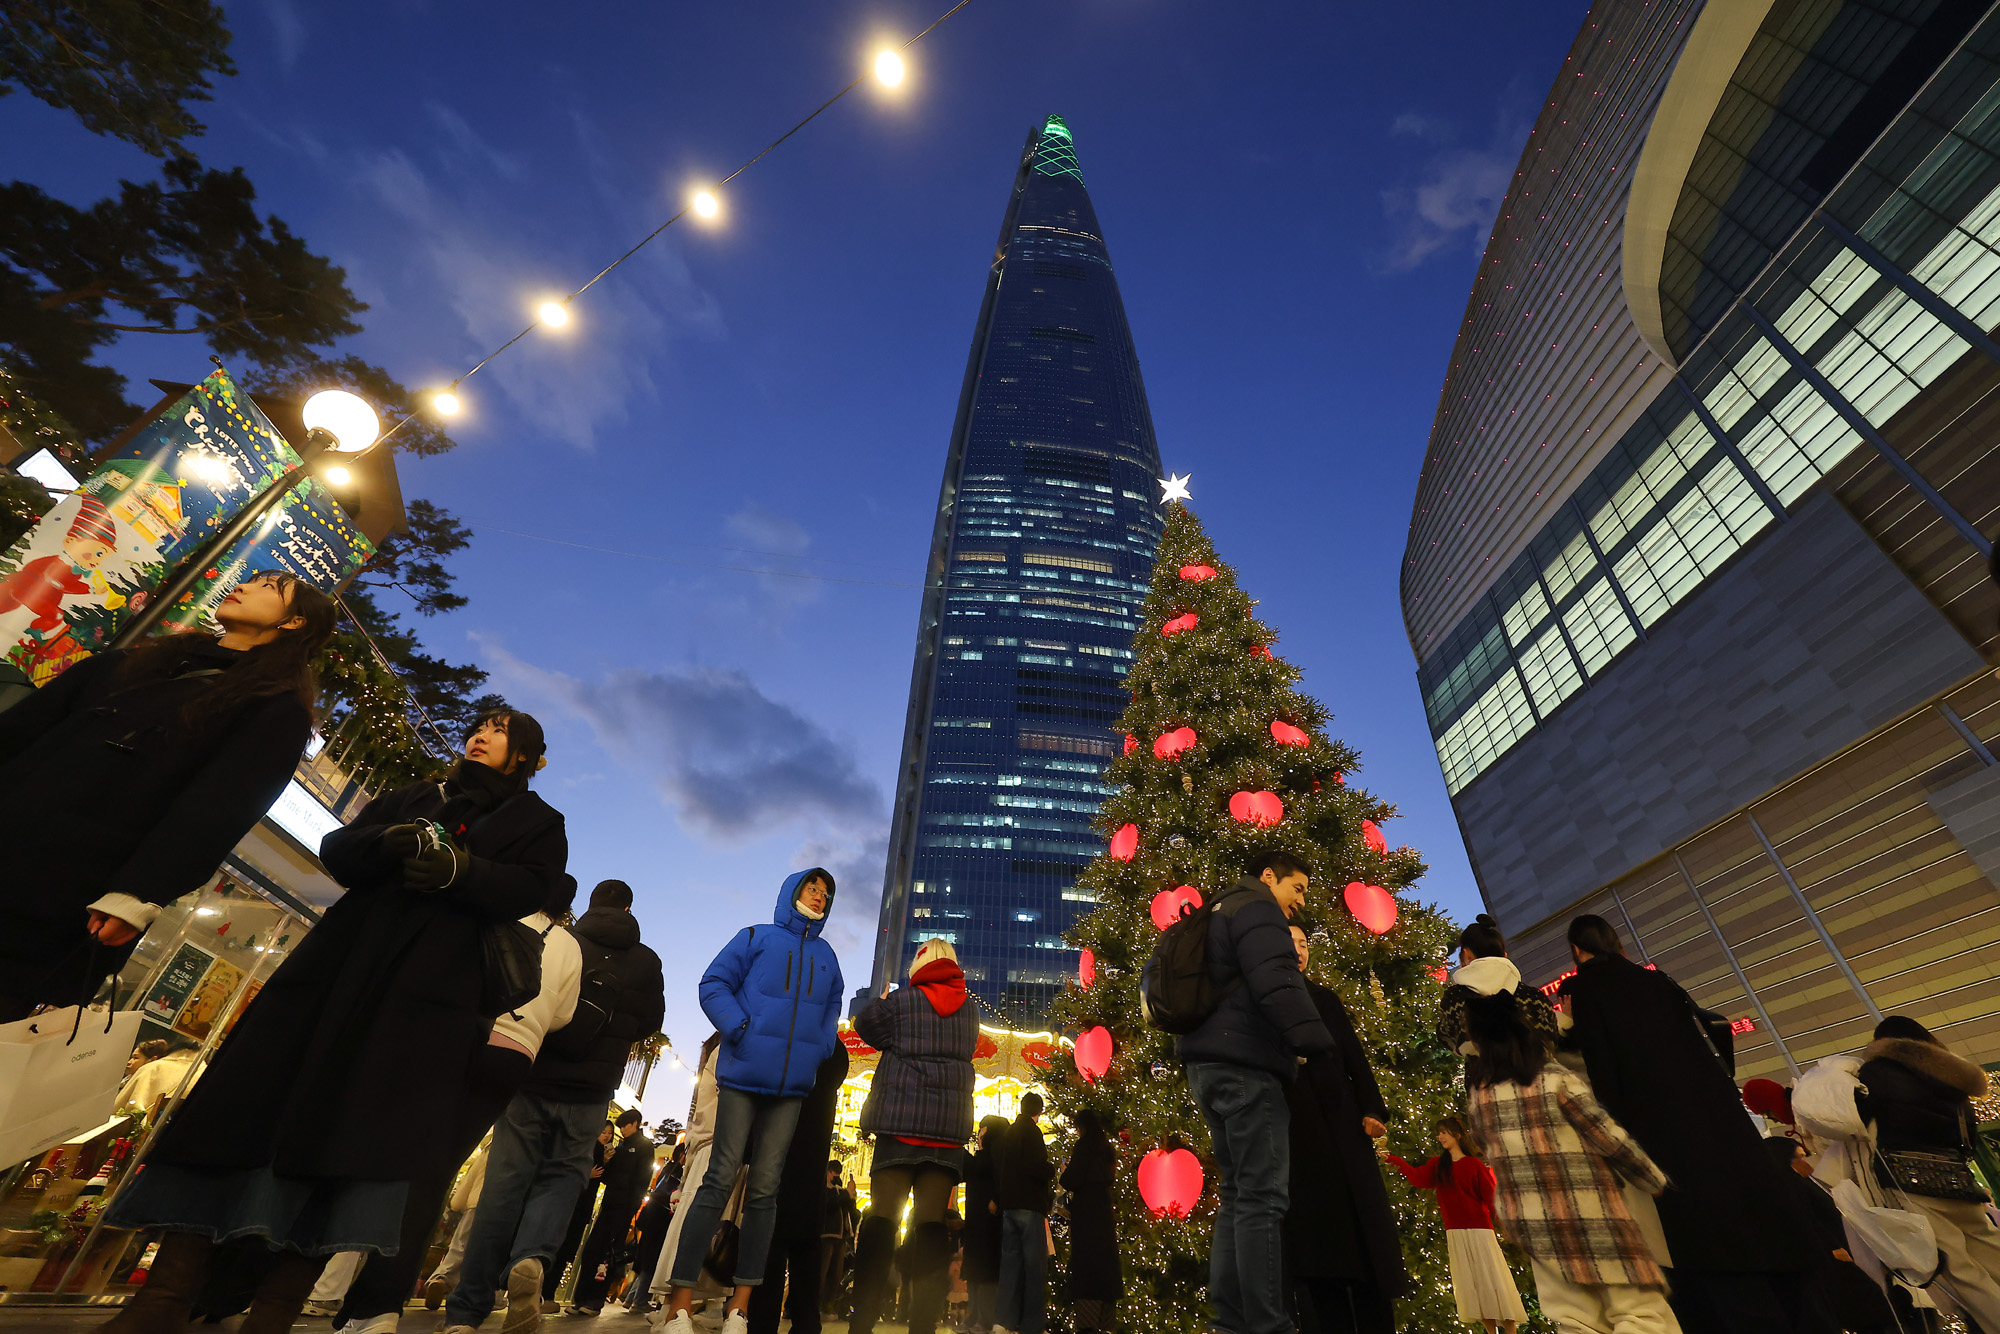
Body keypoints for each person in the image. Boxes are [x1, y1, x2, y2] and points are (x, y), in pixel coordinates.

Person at [98, 705, 567, 1334]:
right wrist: (384, 842)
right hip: (333, 972)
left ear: (528, 757)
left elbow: (531, 888)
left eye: (501, 730)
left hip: (424, 1002)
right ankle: (165, 1294)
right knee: (246, 1106)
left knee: (353, 1140)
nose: (482, 734)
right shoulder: (419, 793)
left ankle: (277, 1308)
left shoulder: (537, 821)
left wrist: (463, 871)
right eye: (479, 725)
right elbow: (339, 850)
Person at [0, 571, 331, 1020]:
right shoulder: (131, 662)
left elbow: (218, 810)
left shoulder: (274, 709)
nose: (246, 586)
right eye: (250, 579)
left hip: (62, 896)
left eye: (269, 589)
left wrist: (138, 892)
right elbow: (20, 732)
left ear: (293, 623)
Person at [336, 869, 582, 1334]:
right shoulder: (570, 946)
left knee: (403, 1164)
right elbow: (564, 1016)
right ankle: (384, 1303)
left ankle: (371, 1302)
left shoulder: (500, 913)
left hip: (468, 1037)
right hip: (516, 1059)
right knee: (437, 1172)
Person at [1561, 914, 1818, 1333]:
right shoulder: (1657, 980)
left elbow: (1603, 1070)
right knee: (1751, 1216)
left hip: (1658, 1125)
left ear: (1576, 949)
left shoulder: (1585, 988)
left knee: (1701, 1239)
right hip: (1714, 1111)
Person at [445, 877, 665, 1334]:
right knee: (563, 1178)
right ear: (628, 910)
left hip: (536, 1077)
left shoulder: (565, 941)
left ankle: (468, 1309)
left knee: (505, 1184)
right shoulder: (646, 961)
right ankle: (531, 1260)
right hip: (593, 1091)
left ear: (591, 905)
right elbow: (649, 1022)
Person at [658, 868, 845, 1334]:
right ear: (793, 892)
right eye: (812, 888)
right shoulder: (755, 937)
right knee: (719, 1180)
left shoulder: (828, 957)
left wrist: (819, 1049)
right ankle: (679, 1301)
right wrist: (739, 1028)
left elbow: (831, 1010)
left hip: (792, 1087)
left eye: (826, 893)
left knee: (765, 1192)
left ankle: (740, 1306)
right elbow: (712, 983)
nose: (819, 897)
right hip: (743, 1075)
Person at [1458, 966, 1678, 1333]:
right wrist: (1651, 1178)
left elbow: (1486, 1147)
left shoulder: (1481, 1097)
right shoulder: (1555, 1079)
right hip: (1592, 1215)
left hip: (1534, 1225)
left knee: (1574, 1321)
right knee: (1640, 1314)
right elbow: (1608, 1137)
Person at [1177, 851, 1339, 1334]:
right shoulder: (1257, 906)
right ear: (1270, 877)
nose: (1300, 900)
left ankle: (1229, 1323)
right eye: (1299, 887)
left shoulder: (1219, 908)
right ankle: (1268, 1326)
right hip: (1246, 1066)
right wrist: (1316, 1042)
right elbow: (1275, 979)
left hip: (1207, 1065)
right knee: (1262, 1199)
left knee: (1237, 1196)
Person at [847, 938, 981, 1334]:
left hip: (900, 1122)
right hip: (945, 1130)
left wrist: (881, 1000)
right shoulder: (970, 1009)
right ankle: (923, 1324)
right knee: (931, 1227)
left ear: (918, 967)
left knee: (882, 1220)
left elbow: (866, 1025)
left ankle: (863, 1321)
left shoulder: (904, 1001)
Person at [1281, 922, 1407, 1333]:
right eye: (1289, 943)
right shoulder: (1265, 1002)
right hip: (1298, 1135)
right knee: (1318, 1251)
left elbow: (1354, 1058)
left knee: (1364, 1238)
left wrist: (1372, 1107)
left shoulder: (1325, 999)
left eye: (1303, 943)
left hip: (1343, 1127)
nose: (1299, 950)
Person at [1856, 1014, 2000, 1330]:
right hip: (1960, 1182)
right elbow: (1969, 1140)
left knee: (1961, 1271)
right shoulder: (1956, 1080)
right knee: (1994, 1253)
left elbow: (1860, 1122)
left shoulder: (1874, 1072)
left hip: (1909, 1180)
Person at [1385, 1116, 1527, 1334]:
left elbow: (1491, 1198)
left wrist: (1506, 1225)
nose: (1440, 1136)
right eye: (1439, 1132)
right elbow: (1418, 1178)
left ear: (1457, 1135)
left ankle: (1510, 1330)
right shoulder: (1438, 1165)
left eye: (1444, 1132)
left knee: (1493, 1282)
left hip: (1480, 1232)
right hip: (1456, 1234)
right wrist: (1392, 1160)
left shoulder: (1473, 1165)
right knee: (1475, 1287)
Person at [747, 1047, 851, 1334]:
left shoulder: (785, 1041)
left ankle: (765, 1320)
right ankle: (806, 1319)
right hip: (810, 1153)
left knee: (772, 1238)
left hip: (779, 1149)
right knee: (805, 1241)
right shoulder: (829, 1045)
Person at [1766, 1138, 1898, 1334]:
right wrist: (1835, 1249)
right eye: (1799, 1158)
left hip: (1840, 1258)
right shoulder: (1791, 1187)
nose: (1807, 1164)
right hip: (1835, 1261)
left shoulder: (1799, 1185)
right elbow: (1810, 1222)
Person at [648, 1037, 723, 1323]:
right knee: (712, 1225)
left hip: (704, 1144)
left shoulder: (712, 1057)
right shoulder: (726, 1051)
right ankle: (684, 1303)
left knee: (693, 1223)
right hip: (719, 1143)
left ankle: (675, 1303)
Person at [570, 1110, 656, 1314]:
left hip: (623, 1208)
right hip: (608, 1205)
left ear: (635, 1123)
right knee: (592, 1250)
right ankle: (581, 1299)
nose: (622, 1130)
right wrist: (607, 1162)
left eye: (624, 1125)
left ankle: (595, 1301)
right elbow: (607, 1178)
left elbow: (642, 1179)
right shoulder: (621, 1145)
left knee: (607, 1255)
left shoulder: (644, 1146)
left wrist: (631, 1208)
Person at [1438, 914, 1557, 1059]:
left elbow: (1450, 1040)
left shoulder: (1455, 998)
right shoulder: (1535, 997)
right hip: (1541, 1078)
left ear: (1467, 955)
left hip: (1485, 1079)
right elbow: (1552, 1042)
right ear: (1504, 956)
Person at [992, 1091, 1054, 1334]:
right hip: (1030, 1206)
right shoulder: (1033, 1132)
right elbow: (1036, 1167)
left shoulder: (1008, 1134)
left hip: (1009, 1206)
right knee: (1034, 1268)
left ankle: (1002, 1321)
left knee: (1009, 1266)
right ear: (1039, 1112)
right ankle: (1032, 1324)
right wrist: (1050, 1169)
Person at [1061, 1110, 1121, 1334]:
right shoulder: (1105, 1148)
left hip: (1086, 1215)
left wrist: (1064, 1171)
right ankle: (1107, 1323)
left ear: (1081, 1126)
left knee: (1087, 1267)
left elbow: (1071, 1179)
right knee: (1105, 1266)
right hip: (1104, 1213)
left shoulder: (1084, 1147)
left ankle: (1087, 1323)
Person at [961, 1116, 1009, 1334]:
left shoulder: (996, 1155)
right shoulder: (983, 1156)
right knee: (975, 1271)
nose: (980, 1136)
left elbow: (1000, 1179)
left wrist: (996, 1200)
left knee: (985, 1271)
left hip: (988, 1222)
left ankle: (984, 1319)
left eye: (983, 1132)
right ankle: (974, 1316)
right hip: (976, 1220)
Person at [818, 1160, 859, 1316]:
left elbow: (854, 1215)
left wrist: (851, 1198)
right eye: (833, 1172)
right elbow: (828, 1205)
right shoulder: (825, 1190)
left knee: (836, 1274)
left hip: (841, 1238)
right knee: (822, 1272)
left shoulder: (838, 1191)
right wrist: (846, 1194)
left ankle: (829, 1304)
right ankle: (817, 1304)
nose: (835, 1176)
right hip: (827, 1236)